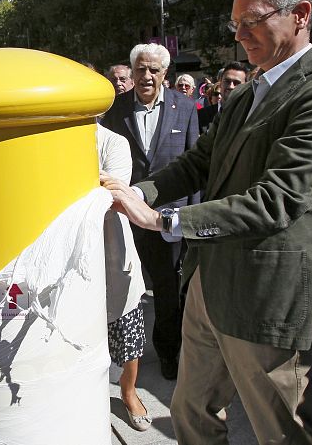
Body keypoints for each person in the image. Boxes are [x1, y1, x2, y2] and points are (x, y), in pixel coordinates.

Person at [102, 0, 312, 444]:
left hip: (265, 294)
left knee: (282, 427)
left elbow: (278, 201)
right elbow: (198, 163)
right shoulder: (245, 95)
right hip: (208, 286)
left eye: (253, 21)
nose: (240, 35)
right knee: (191, 411)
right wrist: (135, 192)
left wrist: (164, 219)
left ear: (301, 14)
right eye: (235, 23)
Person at [100, 43, 199, 381]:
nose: (146, 76)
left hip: (167, 220)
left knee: (167, 291)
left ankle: (169, 353)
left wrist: (191, 223)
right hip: (124, 217)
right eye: (140, 69)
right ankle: (123, 358)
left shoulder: (184, 108)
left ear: (164, 74)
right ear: (132, 71)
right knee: (121, 287)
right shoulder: (116, 111)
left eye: (153, 70)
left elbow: (195, 166)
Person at [97, 123, 149, 431]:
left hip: (111, 248)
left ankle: (128, 393)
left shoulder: (112, 142)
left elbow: (111, 191)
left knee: (127, 332)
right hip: (65, 255)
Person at [197, 61, 247, 134]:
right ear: (220, 84)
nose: (231, 86)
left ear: (246, 86)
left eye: (236, 83)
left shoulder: (251, 115)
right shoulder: (201, 115)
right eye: (227, 81)